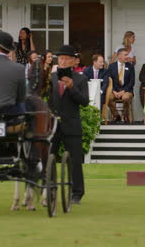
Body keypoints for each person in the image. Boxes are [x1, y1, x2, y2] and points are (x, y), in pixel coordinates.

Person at [48, 44, 89, 205]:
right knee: (48, 158)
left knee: (75, 161)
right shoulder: (51, 78)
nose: (63, 62)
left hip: (71, 124)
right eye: (61, 59)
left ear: (74, 61)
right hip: (52, 125)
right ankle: (49, 188)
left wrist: (72, 88)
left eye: (67, 59)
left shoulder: (80, 78)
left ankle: (77, 193)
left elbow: (84, 102)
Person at [108, 48, 135, 123]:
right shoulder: (111, 66)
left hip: (127, 90)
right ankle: (116, 115)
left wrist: (123, 91)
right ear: (119, 56)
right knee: (108, 98)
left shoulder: (130, 66)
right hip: (114, 90)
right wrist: (113, 91)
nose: (127, 56)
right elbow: (109, 81)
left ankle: (125, 115)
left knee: (126, 98)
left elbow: (132, 82)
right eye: (125, 55)